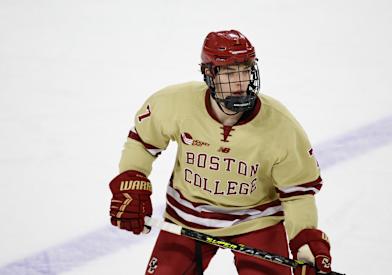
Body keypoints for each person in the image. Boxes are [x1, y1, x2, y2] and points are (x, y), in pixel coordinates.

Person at [109, 29, 333, 275]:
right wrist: (132, 179)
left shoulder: (281, 127)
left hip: (257, 223)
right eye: (228, 71)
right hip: (187, 217)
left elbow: (297, 193)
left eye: (245, 69)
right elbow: (142, 140)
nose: (239, 81)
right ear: (209, 74)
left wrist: (305, 242)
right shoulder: (175, 104)